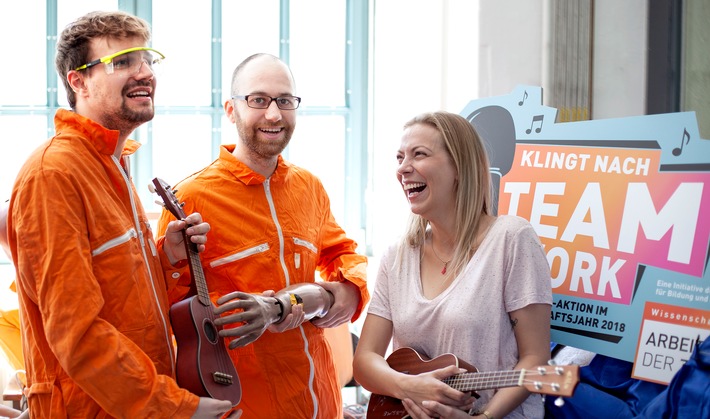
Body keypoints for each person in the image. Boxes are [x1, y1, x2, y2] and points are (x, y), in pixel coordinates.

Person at [6, 11, 240, 418]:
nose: (145, 72)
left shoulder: (112, 167)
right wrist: (176, 408)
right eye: (123, 62)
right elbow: (76, 333)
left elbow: (124, 303)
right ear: (77, 80)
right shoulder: (54, 174)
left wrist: (164, 258)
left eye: (147, 60)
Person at [156, 52, 369, 418]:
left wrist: (350, 289)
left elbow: (342, 254)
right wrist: (171, 260)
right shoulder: (191, 197)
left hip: (319, 399)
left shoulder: (309, 188)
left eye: (284, 101)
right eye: (258, 100)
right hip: (241, 402)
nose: (273, 114)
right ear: (231, 109)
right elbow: (166, 307)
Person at [352, 111, 553, 419]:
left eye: (419, 154)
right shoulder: (398, 255)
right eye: (399, 157)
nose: (403, 168)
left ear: (460, 167)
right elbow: (365, 360)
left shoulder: (512, 239)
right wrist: (409, 386)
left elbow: (535, 358)